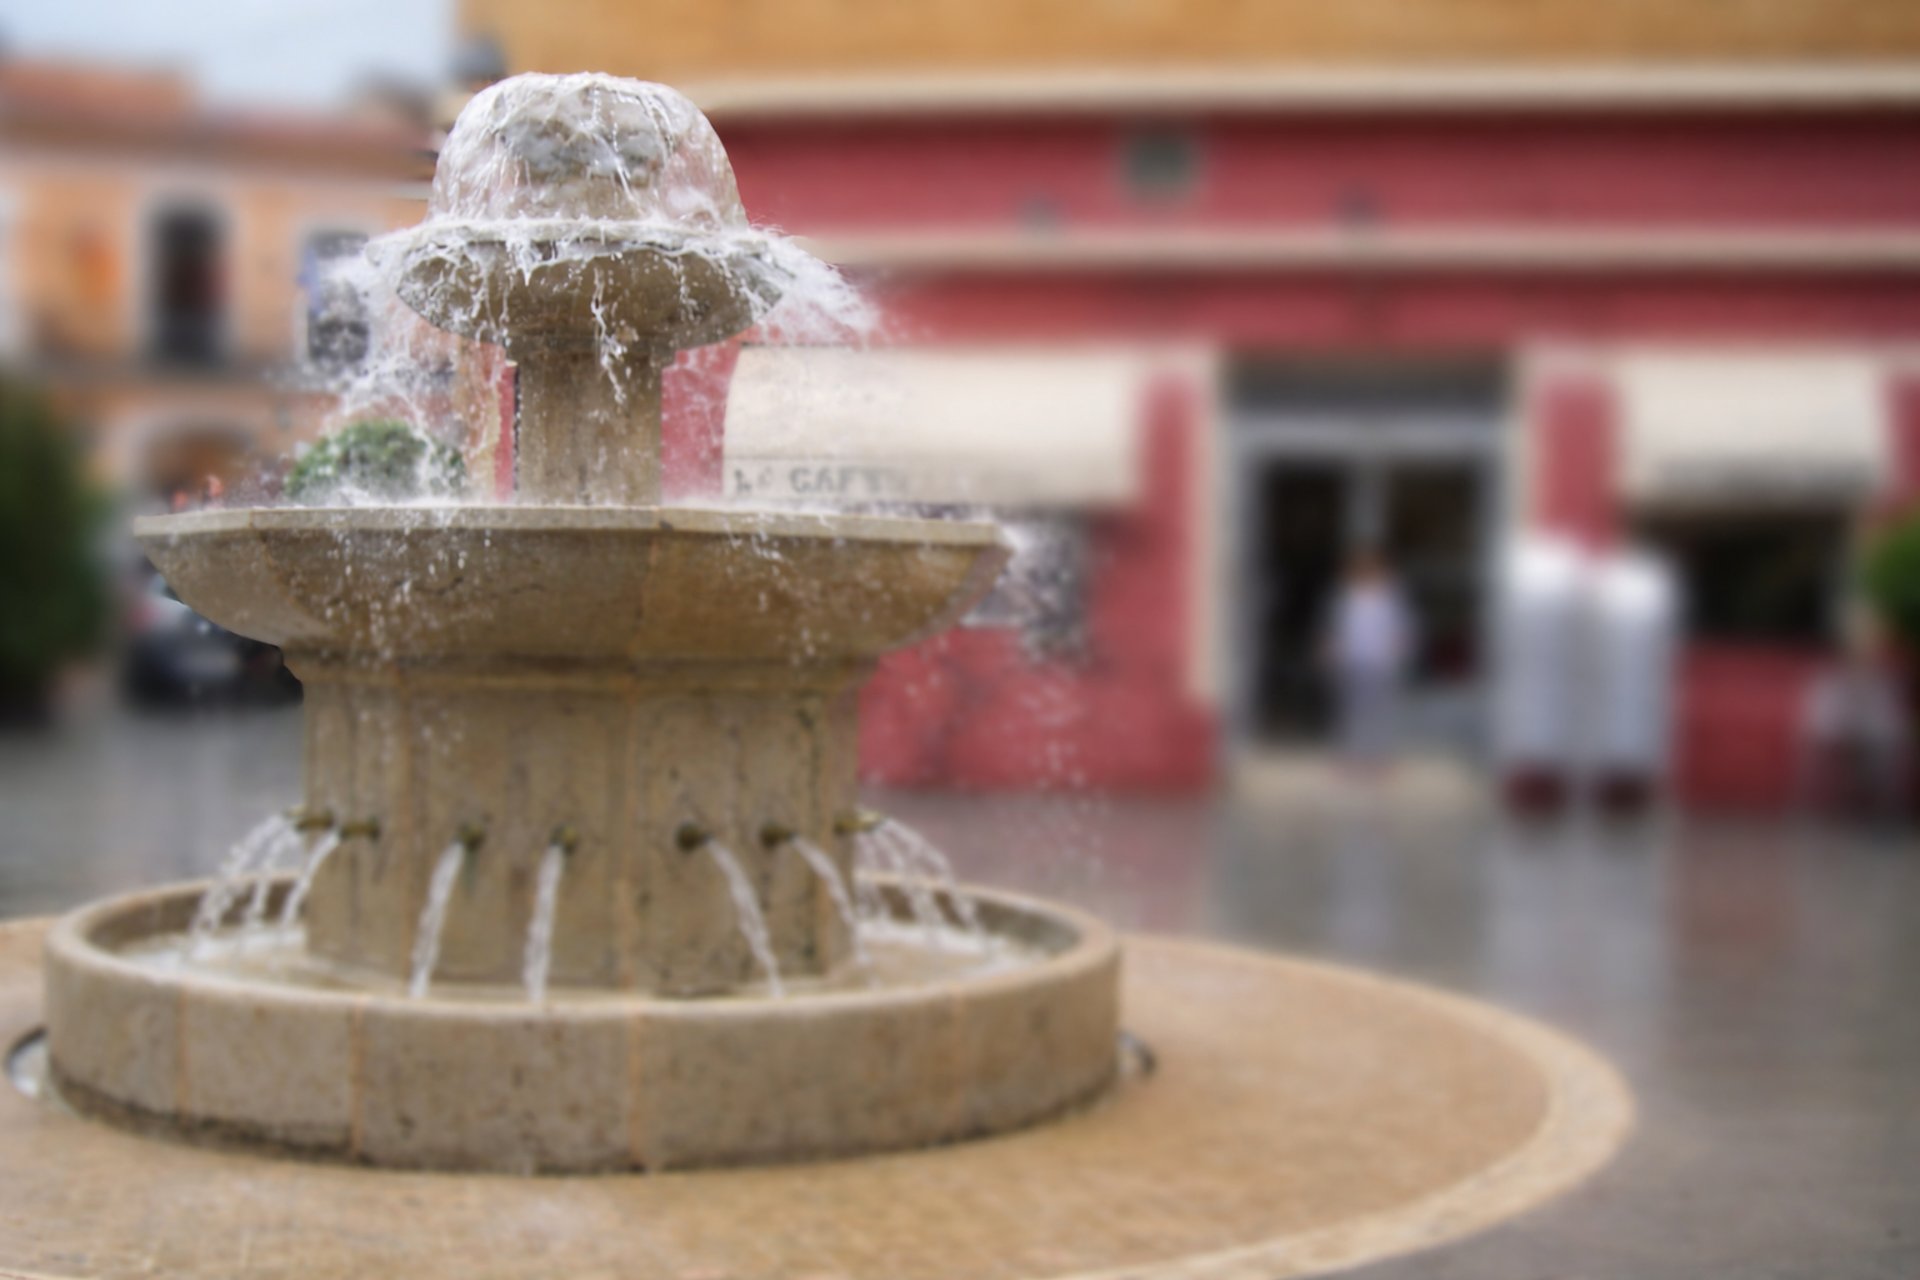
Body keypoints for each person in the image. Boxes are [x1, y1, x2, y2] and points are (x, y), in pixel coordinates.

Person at [1322, 549, 1416, 771]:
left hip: (1381, 661)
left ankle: (1379, 757)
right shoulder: (1346, 596)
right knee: (1353, 710)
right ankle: (1353, 756)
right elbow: (1336, 627)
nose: (1366, 572)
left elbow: (1403, 628)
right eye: (1361, 568)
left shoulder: (1390, 597)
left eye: (1371, 568)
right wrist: (1331, 649)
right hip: (1354, 660)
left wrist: (1400, 650)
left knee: (1380, 711)